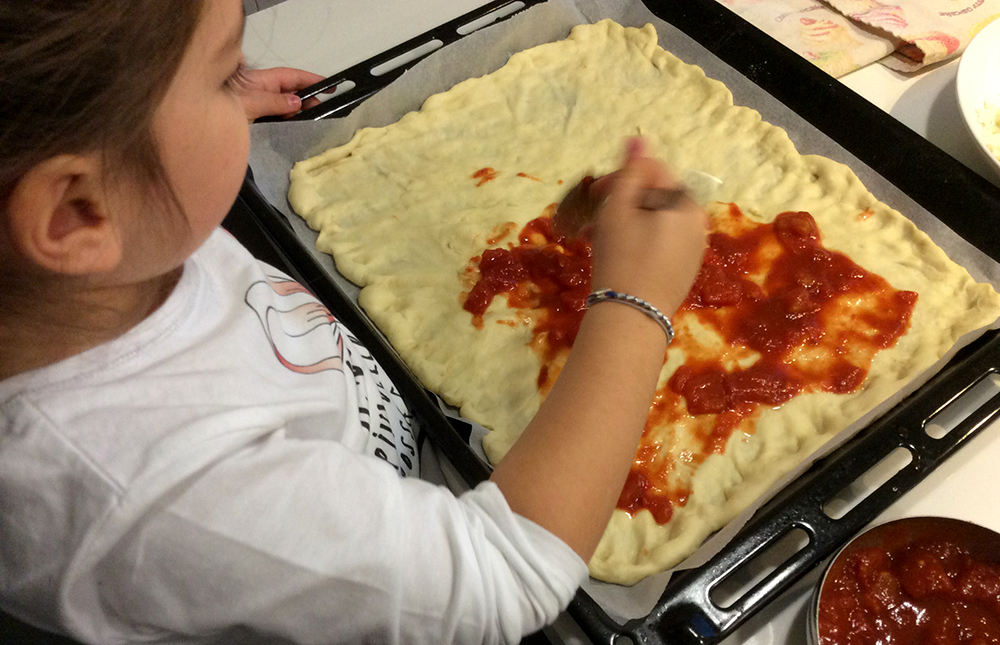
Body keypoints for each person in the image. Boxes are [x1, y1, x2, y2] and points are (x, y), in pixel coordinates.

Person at [0, 1, 707, 643]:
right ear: (76, 212)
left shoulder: (95, 268)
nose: (236, 83)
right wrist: (635, 303)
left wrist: (197, 113)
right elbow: (505, 576)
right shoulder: (152, 495)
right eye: (225, 74)